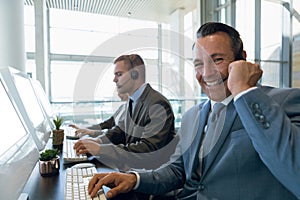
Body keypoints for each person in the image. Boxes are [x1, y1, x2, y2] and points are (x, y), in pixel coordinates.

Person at [87, 22, 300, 200]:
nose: (207, 73)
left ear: (241, 59)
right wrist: (134, 179)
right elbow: (178, 170)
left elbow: (295, 173)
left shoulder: (283, 101)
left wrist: (244, 92)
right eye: (199, 64)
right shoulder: (192, 116)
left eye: (217, 60)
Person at [73, 54, 177, 170]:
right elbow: (120, 131)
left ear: (135, 74)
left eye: (119, 74)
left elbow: (148, 150)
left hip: (147, 174)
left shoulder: (157, 104)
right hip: (131, 166)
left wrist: (100, 149)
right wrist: (98, 141)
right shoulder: (132, 100)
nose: (114, 80)